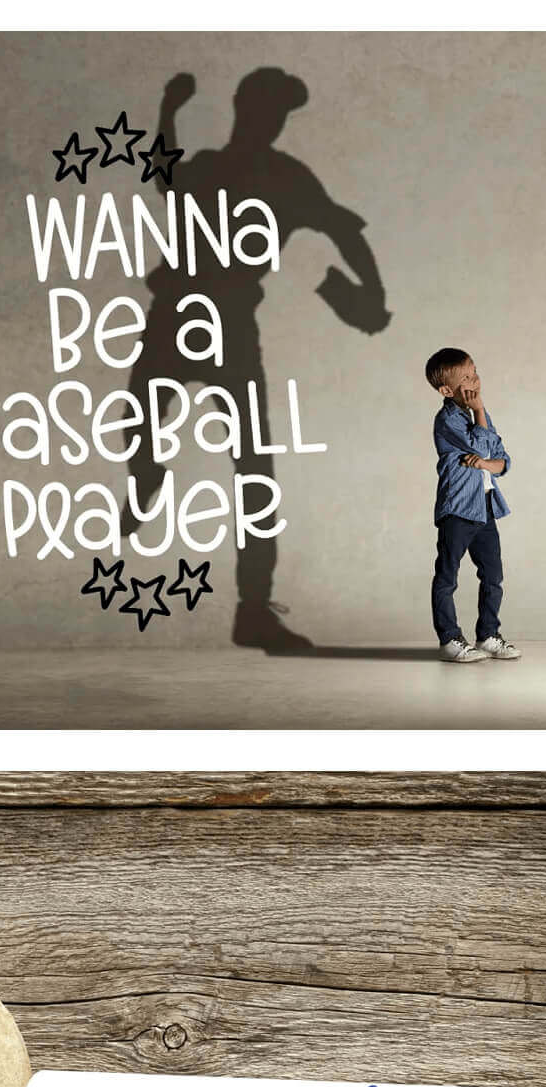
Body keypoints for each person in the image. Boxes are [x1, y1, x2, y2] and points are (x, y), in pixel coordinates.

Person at [124, 67, 389, 654]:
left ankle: (253, 608)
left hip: (232, 327)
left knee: (253, 468)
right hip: (174, 311)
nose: (269, 121)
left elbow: (344, 230)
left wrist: (372, 292)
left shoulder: (287, 178)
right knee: (137, 414)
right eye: (264, 109)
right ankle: (145, 475)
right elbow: (163, 174)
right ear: (243, 108)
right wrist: (168, 109)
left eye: (279, 114)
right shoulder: (210, 169)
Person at [426, 348, 521, 663]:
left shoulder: (477, 414)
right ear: (446, 390)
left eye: (475, 371)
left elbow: (502, 458)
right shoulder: (448, 419)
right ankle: (450, 639)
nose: (475, 380)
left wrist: (486, 462)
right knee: (447, 576)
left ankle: (488, 635)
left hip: (485, 508)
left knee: (493, 576)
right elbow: (483, 444)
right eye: (465, 377)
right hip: (458, 510)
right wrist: (484, 452)